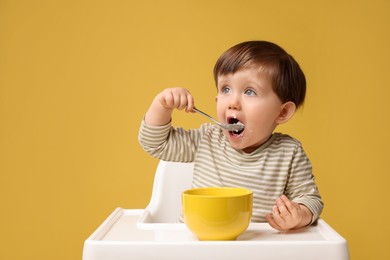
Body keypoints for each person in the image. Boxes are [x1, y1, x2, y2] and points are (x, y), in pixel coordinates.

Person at [138, 41, 323, 231]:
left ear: (282, 112)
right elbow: (155, 143)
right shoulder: (207, 139)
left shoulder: (289, 153)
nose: (232, 102)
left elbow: (311, 199)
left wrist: (299, 214)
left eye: (249, 91)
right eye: (226, 89)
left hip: (253, 248)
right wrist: (161, 105)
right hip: (194, 246)